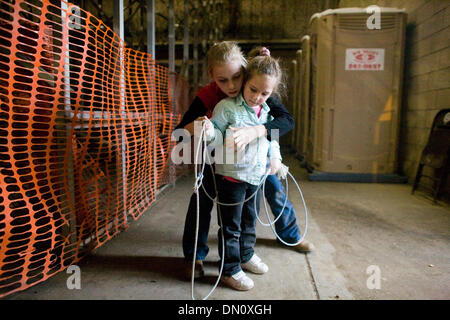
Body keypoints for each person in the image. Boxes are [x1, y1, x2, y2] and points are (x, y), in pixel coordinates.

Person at [174, 41, 313, 280]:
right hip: (216, 156)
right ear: (212, 77)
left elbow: (284, 120)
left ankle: (288, 235)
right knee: (201, 202)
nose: (231, 85)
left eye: (237, 77)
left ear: (246, 71)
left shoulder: (254, 89)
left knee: (273, 188)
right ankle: (194, 255)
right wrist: (198, 126)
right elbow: (181, 130)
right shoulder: (209, 95)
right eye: (222, 80)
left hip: (256, 157)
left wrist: (260, 135)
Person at [203, 53, 285, 290]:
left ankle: (246, 255)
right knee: (231, 226)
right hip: (231, 179)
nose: (257, 97)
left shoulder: (267, 111)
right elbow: (215, 138)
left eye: (264, 93)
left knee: (250, 221)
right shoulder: (227, 108)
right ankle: (229, 269)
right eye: (252, 89)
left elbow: (273, 135)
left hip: (256, 177)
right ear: (245, 81)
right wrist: (209, 131)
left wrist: (275, 157)